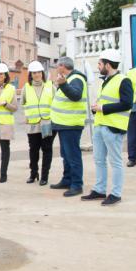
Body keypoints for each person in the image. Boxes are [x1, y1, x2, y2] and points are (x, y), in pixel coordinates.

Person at [82, 49, 133, 206]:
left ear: (108, 65)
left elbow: (127, 103)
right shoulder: (106, 80)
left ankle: (116, 193)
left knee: (115, 161)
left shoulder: (124, 80)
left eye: (99, 63)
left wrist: (102, 108)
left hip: (113, 127)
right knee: (99, 160)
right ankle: (99, 190)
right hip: (100, 125)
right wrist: (95, 107)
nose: (98, 66)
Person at [49, 56, 88, 197]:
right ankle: (67, 180)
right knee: (65, 155)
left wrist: (63, 84)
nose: (56, 69)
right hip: (63, 124)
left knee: (73, 156)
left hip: (71, 124)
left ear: (63, 66)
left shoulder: (76, 78)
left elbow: (76, 96)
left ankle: (77, 185)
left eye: (57, 66)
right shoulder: (68, 79)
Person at [22, 61, 55, 185]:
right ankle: (33, 173)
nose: (36, 75)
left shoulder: (50, 86)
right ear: (30, 74)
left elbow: (56, 102)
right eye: (34, 73)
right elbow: (24, 103)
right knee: (33, 150)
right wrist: (27, 115)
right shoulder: (26, 87)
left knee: (47, 150)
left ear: (42, 73)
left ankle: (44, 176)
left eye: (38, 72)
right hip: (32, 124)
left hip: (46, 123)